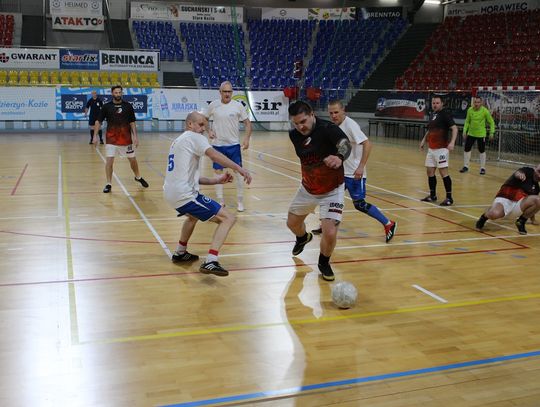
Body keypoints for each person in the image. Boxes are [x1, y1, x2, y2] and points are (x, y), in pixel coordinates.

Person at [163, 111, 252, 276]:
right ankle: (211, 261)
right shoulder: (194, 137)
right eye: (201, 124)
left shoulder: (178, 141)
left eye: (206, 125)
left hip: (171, 192)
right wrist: (239, 168)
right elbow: (214, 155)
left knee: (192, 216)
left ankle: (180, 252)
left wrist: (216, 180)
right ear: (190, 124)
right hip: (184, 195)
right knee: (228, 218)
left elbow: (190, 178)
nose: (204, 129)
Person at [311, 100, 397, 243]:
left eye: (336, 112)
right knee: (329, 197)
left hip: (354, 174)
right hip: (340, 173)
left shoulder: (350, 125)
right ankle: (325, 225)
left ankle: (389, 224)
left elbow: (368, 144)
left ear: (343, 110)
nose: (333, 115)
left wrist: (361, 166)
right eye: (331, 113)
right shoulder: (333, 126)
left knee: (360, 204)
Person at [287, 100, 351, 282]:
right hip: (308, 188)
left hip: (332, 189)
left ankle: (324, 262)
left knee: (329, 232)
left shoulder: (328, 128)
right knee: (291, 224)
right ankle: (303, 237)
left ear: (312, 114)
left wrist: (339, 157)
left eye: (304, 121)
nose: (300, 127)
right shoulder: (294, 136)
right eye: (296, 123)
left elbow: (345, 144)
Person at [204, 81, 252, 212]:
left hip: (234, 146)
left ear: (232, 92)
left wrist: (247, 138)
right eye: (224, 91)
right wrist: (209, 131)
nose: (227, 94)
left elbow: (248, 123)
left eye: (229, 91)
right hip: (217, 146)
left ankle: (240, 202)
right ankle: (220, 201)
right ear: (220, 92)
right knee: (218, 173)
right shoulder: (213, 105)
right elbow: (204, 120)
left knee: (238, 173)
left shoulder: (238, 106)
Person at [93, 85, 149, 193]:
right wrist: (95, 136)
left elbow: (132, 122)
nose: (118, 94)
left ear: (122, 93)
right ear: (112, 93)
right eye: (116, 92)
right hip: (111, 139)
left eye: (119, 92)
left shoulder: (128, 106)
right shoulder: (106, 107)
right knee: (109, 161)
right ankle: (108, 184)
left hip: (126, 139)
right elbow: (98, 121)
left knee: (133, 160)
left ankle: (138, 177)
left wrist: (135, 137)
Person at [476, 164, 540, 235]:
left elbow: (534, 204)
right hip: (505, 199)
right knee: (493, 214)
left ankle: (521, 222)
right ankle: (484, 217)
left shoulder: (536, 188)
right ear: (535, 168)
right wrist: (519, 174)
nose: (539, 175)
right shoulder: (528, 171)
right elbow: (518, 173)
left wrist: (533, 220)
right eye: (539, 171)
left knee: (538, 199)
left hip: (518, 206)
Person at [419, 96, 458, 206]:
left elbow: (455, 128)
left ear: (442, 104)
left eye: (437, 103)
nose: (435, 105)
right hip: (431, 149)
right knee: (430, 172)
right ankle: (432, 195)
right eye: (433, 103)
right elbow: (430, 130)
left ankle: (449, 198)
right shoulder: (432, 115)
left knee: (443, 173)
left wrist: (452, 142)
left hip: (441, 149)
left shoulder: (445, 114)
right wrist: (423, 140)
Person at [460, 96, 496, 175]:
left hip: (481, 134)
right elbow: (467, 121)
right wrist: (464, 131)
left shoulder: (485, 111)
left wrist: (491, 132)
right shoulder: (470, 110)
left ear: (481, 103)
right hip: (471, 133)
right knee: (467, 149)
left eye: (478, 102)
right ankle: (466, 166)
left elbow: (492, 122)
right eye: (475, 102)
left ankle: (482, 168)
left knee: (481, 150)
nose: (476, 104)